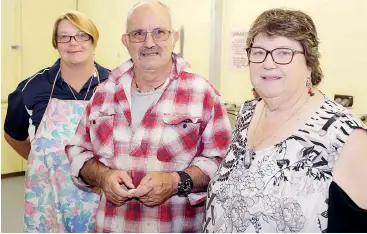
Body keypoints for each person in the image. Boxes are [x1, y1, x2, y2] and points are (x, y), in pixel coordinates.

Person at [65, 1, 232, 232]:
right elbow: (77, 150)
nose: (149, 42)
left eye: (159, 32)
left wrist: (176, 182)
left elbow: (222, 163)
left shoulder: (202, 94)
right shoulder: (104, 93)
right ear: (126, 41)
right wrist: (103, 176)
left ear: (174, 37)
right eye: (138, 34)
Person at [204, 8, 367, 233]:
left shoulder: (345, 135)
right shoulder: (246, 114)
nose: (268, 63)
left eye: (283, 53)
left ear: (310, 63)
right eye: (259, 52)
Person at [4, 11, 110, 232]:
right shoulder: (31, 88)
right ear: (56, 43)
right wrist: (44, 162)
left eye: (82, 36)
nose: (73, 43)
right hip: (49, 198)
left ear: (94, 40)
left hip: (102, 196)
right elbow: (13, 135)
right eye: (64, 37)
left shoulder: (114, 85)